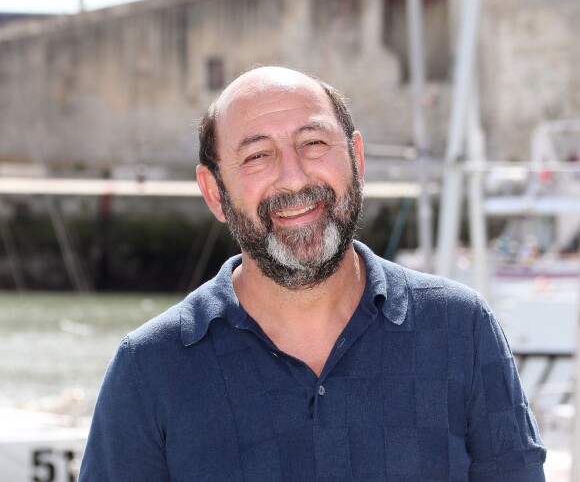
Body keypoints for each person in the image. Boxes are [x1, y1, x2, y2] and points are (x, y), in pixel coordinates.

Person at [79, 66, 546, 481]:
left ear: (357, 160)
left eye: (314, 143)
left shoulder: (460, 330)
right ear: (215, 192)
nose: (295, 177)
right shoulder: (149, 368)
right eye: (257, 155)